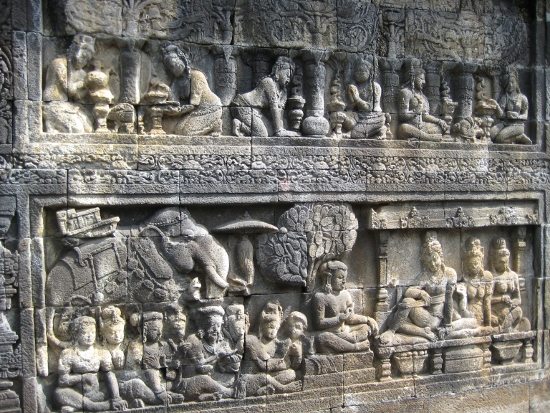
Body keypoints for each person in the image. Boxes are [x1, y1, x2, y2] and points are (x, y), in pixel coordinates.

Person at [379, 232, 456, 345]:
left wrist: (447, 325)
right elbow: (409, 291)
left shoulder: (449, 274)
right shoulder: (425, 275)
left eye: (435, 259)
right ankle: (422, 332)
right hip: (423, 312)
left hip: (434, 318)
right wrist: (421, 293)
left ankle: (393, 331)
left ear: (441, 256)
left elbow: (449, 301)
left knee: (401, 312)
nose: (433, 264)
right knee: (393, 317)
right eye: (429, 262)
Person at [54, 316, 127, 413]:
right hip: (78, 393)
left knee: (117, 386)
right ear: (76, 335)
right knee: (59, 392)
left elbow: (109, 374)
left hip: (97, 392)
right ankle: (97, 406)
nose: (90, 336)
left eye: (92, 332)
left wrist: (116, 397)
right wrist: (82, 378)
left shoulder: (101, 352)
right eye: (85, 333)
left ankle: (80, 406)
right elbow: (62, 381)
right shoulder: (69, 353)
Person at [312, 261, 378, 353]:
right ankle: (355, 347)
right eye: (340, 278)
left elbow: (350, 319)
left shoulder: (345, 294)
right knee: (322, 338)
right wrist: (339, 319)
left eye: (345, 278)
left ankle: (346, 344)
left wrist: (367, 319)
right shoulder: (320, 297)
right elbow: (319, 323)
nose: (344, 281)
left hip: (346, 332)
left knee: (366, 328)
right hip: (332, 334)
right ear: (329, 277)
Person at [161, 45, 222, 136]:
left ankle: (215, 125)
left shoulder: (196, 75)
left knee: (186, 131)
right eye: (171, 67)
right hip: (195, 111)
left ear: (182, 60)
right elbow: (173, 102)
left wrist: (179, 110)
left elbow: (194, 104)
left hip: (211, 108)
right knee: (177, 129)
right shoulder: (176, 82)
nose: (174, 68)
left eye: (175, 63)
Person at [232, 56, 300, 137]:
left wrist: (281, 129)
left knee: (270, 133)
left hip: (256, 111)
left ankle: (242, 126)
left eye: (290, 76)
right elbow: (274, 107)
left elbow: (280, 112)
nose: (288, 78)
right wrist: (279, 131)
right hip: (242, 105)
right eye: (287, 74)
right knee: (261, 134)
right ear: (278, 71)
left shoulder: (283, 91)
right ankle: (239, 125)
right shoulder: (268, 82)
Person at [43, 34, 95, 133]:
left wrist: (89, 88)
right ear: (75, 51)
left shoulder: (78, 72)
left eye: (87, 60)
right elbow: (69, 90)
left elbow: (77, 97)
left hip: (68, 106)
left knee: (89, 129)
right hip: (54, 104)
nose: (84, 62)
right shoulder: (59, 63)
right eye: (83, 56)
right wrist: (84, 82)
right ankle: (52, 125)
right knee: (78, 130)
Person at [397, 66, 448, 142]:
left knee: (439, 128)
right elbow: (402, 115)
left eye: (424, 79)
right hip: (409, 125)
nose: (424, 82)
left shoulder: (423, 97)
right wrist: (415, 111)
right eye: (421, 79)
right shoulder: (405, 92)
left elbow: (425, 116)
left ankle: (420, 136)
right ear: (413, 78)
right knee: (403, 128)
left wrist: (439, 121)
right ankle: (428, 137)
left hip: (422, 126)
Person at [490, 238, 531, 332]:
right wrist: (501, 299)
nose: (504, 265)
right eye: (501, 262)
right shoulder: (492, 277)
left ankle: (503, 328)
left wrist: (512, 303)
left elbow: (518, 299)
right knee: (493, 319)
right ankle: (504, 328)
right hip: (496, 311)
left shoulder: (513, 275)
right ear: (494, 261)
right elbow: (487, 300)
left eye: (506, 262)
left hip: (509, 310)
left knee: (518, 311)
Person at [343, 59, 388, 139]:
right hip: (358, 116)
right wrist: (351, 97)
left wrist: (357, 99)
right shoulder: (354, 87)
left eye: (362, 71)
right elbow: (351, 107)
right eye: (357, 71)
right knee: (342, 117)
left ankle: (381, 129)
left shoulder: (375, 87)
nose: (358, 73)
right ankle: (372, 130)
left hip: (373, 117)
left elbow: (369, 108)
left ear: (370, 73)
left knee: (355, 134)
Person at [489, 68, 531, 144]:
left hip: (518, 125)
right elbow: (501, 115)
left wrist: (517, 116)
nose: (511, 85)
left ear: (516, 83)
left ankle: (519, 137)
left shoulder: (522, 98)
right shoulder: (505, 97)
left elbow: (525, 115)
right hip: (505, 123)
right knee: (490, 135)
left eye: (512, 82)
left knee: (500, 138)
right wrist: (497, 106)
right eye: (508, 83)